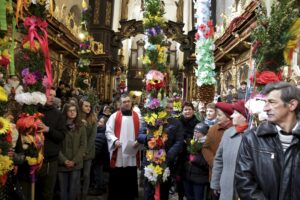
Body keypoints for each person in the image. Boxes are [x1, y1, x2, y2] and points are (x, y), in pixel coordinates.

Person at [235, 82, 300, 199]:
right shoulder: (253, 138)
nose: (265, 108)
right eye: (265, 102)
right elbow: (244, 183)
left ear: (292, 105)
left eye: (272, 102)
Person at [138, 100, 184, 200]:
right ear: (161, 108)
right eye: (166, 108)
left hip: (166, 161)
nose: (169, 110)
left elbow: (179, 142)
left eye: (171, 108)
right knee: (148, 190)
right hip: (149, 160)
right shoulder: (150, 119)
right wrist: (148, 138)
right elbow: (139, 136)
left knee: (164, 190)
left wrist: (166, 156)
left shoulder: (176, 123)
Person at [105, 93, 141, 200]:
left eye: (128, 101)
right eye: (124, 102)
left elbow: (142, 132)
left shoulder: (137, 117)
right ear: (120, 104)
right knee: (117, 178)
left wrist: (138, 141)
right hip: (119, 152)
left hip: (132, 152)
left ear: (131, 103)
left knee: (130, 177)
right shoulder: (114, 116)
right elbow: (108, 132)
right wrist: (115, 141)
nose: (126, 104)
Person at [211, 100, 248, 200]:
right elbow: (219, 160)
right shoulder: (228, 133)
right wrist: (215, 183)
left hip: (245, 190)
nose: (231, 116)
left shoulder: (254, 136)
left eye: (236, 113)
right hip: (226, 188)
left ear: (244, 116)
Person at [35, 87, 67, 200]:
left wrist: (48, 129)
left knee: (47, 192)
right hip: (34, 158)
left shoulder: (58, 114)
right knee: (34, 191)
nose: (52, 97)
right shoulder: (34, 110)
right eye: (49, 94)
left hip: (50, 160)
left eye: (53, 95)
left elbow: (62, 136)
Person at [202, 102, 233, 200]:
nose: (217, 117)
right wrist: (213, 162)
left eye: (220, 115)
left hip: (230, 178)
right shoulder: (213, 130)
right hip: (215, 175)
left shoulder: (235, 130)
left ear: (228, 117)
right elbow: (205, 147)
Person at [58, 103, 87, 200]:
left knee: (73, 191)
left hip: (76, 164)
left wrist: (74, 161)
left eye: (74, 110)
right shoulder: (60, 126)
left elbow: (83, 145)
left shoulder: (81, 126)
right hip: (62, 164)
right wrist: (64, 160)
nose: (72, 112)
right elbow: (56, 145)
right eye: (70, 110)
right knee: (63, 191)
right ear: (65, 112)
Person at [177, 101, 200, 199]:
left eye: (189, 109)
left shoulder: (198, 123)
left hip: (191, 154)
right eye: (185, 109)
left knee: (188, 179)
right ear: (182, 111)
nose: (187, 111)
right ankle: (180, 196)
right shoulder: (178, 122)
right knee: (179, 178)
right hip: (179, 155)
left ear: (193, 111)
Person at [184, 122, 209, 200]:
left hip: (200, 179)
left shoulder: (207, 144)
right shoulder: (193, 141)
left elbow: (208, 162)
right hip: (189, 176)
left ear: (204, 133)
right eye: (195, 131)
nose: (195, 133)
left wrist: (195, 159)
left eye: (198, 132)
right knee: (189, 197)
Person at [79, 99, 97, 200]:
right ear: (81, 106)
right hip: (77, 151)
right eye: (86, 106)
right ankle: (77, 193)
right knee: (77, 175)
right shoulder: (77, 118)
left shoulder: (93, 119)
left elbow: (92, 137)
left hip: (88, 152)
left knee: (86, 174)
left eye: (89, 106)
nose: (88, 108)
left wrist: (85, 151)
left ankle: (84, 194)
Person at [89, 116, 109, 196]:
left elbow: (96, 148)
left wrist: (92, 156)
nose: (98, 123)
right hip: (102, 158)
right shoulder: (102, 132)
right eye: (99, 121)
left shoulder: (101, 133)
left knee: (98, 174)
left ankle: (99, 189)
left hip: (99, 159)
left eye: (101, 122)